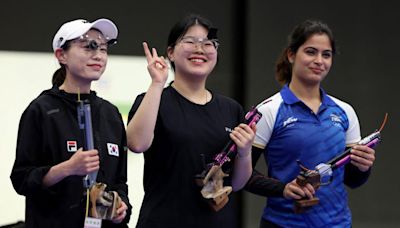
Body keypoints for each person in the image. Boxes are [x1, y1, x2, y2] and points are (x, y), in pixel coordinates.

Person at [126, 14, 256, 228]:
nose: (200, 49)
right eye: (190, 41)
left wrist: (245, 152)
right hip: (163, 220)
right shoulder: (153, 99)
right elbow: (136, 143)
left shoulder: (231, 109)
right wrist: (157, 83)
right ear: (170, 52)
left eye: (208, 43)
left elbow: (238, 182)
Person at [245, 19, 376, 227]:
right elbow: (242, 175)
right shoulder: (268, 111)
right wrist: (282, 189)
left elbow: (353, 181)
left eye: (326, 54)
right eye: (310, 52)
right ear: (291, 55)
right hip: (282, 223)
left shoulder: (345, 112)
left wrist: (363, 167)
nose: (319, 61)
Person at [10, 18, 131, 227]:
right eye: (88, 46)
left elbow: (120, 182)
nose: (98, 55)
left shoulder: (110, 113)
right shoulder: (41, 110)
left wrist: (121, 207)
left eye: (103, 48)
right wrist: (67, 168)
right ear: (61, 55)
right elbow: (22, 179)